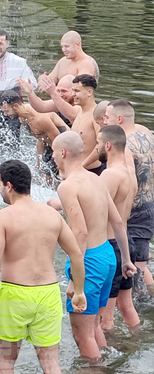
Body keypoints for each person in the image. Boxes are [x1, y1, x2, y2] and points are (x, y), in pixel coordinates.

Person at [0, 160, 86, 374]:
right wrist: (79, 291)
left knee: (5, 362)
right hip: (48, 295)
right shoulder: (52, 215)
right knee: (51, 363)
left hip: (15, 295)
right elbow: (76, 254)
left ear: (8, 185)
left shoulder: (2, 217)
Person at [49, 131, 135, 361]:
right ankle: (106, 363)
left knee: (82, 335)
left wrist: (75, 282)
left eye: (55, 151)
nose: (53, 155)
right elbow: (117, 221)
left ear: (63, 153)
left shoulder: (67, 187)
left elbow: (80, 232)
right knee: (94, 324)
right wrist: (126, 260)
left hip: (88, 260)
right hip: (107, 254)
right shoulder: (97, 178)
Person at [103, 98, 154, 299]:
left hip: (133, 212)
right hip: (149, 205)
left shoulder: (125, 147)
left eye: (107, 117)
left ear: (120, 118)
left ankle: (141, 322)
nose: (104, 121)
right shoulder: (145, 133)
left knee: (134, 275)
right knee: (141, 264)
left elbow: (129, 183)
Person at [93, 124, 141, 330]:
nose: (96, 148)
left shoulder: (110, 175)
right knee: (126, 305)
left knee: (105, 316)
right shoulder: (129, 171)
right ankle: (136, 344)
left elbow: (96, 209)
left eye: (98, 143)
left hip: (112, 245)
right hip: (126, 242)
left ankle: (107, 359)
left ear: (109, 145)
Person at [0, 91, 62, 182]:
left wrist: (61, 165)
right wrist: (38, 162)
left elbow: (60, 142)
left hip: (64, 149)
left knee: (47, 179)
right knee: (37, 177)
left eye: (6, 111)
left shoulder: (39, 118)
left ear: (16, 106)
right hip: (51, 149)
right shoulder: (22, 118)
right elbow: (41, 139)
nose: (5, 115)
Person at [39, 74, 100, 168]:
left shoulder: (96, 115)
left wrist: (82, 166)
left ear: (89, 92)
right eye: (73, 90)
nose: (73, 94)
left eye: (76, 91)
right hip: (74, 169)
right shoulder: (78, 111)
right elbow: (41, 107)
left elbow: (101, 145)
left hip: (90, 170)